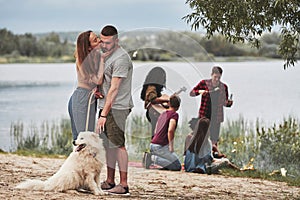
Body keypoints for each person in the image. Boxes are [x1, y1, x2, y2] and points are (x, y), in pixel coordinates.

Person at [96, 25, 133, 196]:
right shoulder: (107, 56)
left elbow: (114, 89)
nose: (104, 45)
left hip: (117, 107)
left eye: (108, 42)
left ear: (117, 41)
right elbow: (103, 81)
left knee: (118, 145)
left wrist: (103, 114)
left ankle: (124, 184)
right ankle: (110, 181)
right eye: (102, 42)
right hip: (106, 105)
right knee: (109, 145)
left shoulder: (121, 59)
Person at [68, 30, 110, 141]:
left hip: (85, 97)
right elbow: (98, 80)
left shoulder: (92, 57)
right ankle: (81, 158)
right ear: (89, 47)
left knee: (82, 137)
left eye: (97, 37)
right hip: (82, 98)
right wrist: (102, 60)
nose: (99, 40)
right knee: (85, 137)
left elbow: (92, 82)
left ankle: (81, 158)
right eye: (95, 40)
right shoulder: (82, 60)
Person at [190, 66, 233, 158]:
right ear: (211, 75)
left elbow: (225, 103)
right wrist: (201, 92)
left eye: (219, 77)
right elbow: (192, 93)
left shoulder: (223, 87)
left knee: (214, 138)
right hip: (204, 115)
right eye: (215, 77)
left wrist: (229, 103)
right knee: (201, 136)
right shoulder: (204, 83)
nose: (217, 79)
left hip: (216, 116)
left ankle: (213, 156)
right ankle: (198, 156)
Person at [144, 94, 182, 171]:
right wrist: (171, 146)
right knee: (177, 165)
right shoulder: (174, 115)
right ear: (178, 107)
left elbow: (156, 130)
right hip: (160, 146)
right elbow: (170, 130)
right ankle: (152, 158)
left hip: (153, 144)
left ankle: (153, 157)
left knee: (171, 163)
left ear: (169, 104)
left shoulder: (163, 114)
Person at [140, 66, 169, 138]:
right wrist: (167, 100)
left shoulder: (153, 87)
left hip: (153, 112)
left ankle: (155, 146)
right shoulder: (151, 87)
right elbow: (153, 99)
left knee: (156, 133)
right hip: (153, 113)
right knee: (156, 133)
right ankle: (155, 147)